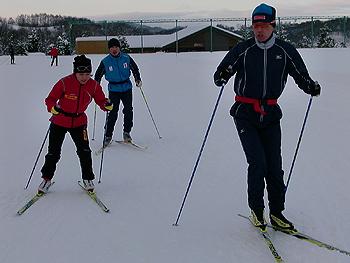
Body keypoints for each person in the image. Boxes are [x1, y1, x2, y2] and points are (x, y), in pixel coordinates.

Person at [214, 3, 321, 231]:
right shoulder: (244, 48)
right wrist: (221, 75)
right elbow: (224, 68)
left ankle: (277, 213)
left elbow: (300, 74)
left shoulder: (285, 50)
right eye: (255, 25)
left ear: (273, 25)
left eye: (263, 25)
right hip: (245, 113)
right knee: (258, 162)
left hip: (271, 114)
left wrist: (309, 86)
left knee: (274, 166)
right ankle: (257, 209)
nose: (259, 30)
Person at [38, 55, 113, 194]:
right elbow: (50, 99)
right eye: (81, 74)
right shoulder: (64, 83)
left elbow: (101, 100)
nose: (84, 77)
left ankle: (87, 179)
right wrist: (52, 107)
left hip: (79, 122)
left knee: (84, 151)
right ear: (75, 72)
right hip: (60, 121)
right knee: (53, 153)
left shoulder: (94, 85)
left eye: (87, 74)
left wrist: (106, 105)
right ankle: (46, 179)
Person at [95, 38, 142, 144]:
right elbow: (98, 75)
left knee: (128, 110)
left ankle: (127, 132)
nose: (114, 49)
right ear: (109, 49)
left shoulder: (126, 58)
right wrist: (95, 86)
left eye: (116, 47)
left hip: (127, 88)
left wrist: (137, 79)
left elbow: (135, 69)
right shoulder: (105, 61)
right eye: (112, 47)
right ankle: (108, 135)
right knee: (112, 112)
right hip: (113, 89)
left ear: (119, 48)